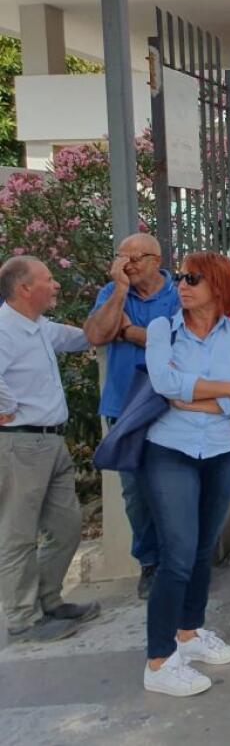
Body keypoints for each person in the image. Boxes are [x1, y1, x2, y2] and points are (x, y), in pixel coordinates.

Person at [141, 252, 230, 697]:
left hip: (221, 450)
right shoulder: (161, 330)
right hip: (170, 450)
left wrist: (207, 397)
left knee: (201, 550)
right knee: (175, 554)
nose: (182, 285)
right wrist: (228, 391)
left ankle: (188, 634)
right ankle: (158, 661)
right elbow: (164, 385)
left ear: (219, 285)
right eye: (179, 277)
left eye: (193, 278)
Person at [0, 256, 99, 644]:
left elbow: (83, 337)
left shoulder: (38, 327)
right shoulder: (5, 328)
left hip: (51, 441)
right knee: (18, 533)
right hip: (20, 442)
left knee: (65, 526)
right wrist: (7, 407)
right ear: (25, 288)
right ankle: (23, 618)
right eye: (48, 279)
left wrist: (117, 301)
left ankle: (49, 600)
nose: (56, 285)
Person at [83, 233, 180, 600]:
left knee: (175, 487)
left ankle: (178, 557)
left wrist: (129, 331)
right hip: (124, 408)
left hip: (170, 405)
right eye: (122, 258)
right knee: (135, 494)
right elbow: (96, 334)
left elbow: (178, 343)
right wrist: (120, 292)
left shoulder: (178, 293)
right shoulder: (112, 293)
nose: (129, 264)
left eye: (136, 258)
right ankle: (150, 562)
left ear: (157, 259)